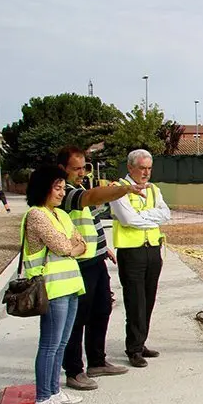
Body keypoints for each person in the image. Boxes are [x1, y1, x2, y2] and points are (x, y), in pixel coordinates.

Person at [57, 146, 149, 390]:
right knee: (78, 318)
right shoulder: (64, 192)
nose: (81, 172)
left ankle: (97, 361)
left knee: (102, 310)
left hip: (96, 259)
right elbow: (90, 200)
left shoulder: (79, 187)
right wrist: (125, 189)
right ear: (62, 169)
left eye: (84, 167)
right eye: (76, 168)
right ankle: (74, 370)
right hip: (79, 265)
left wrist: (102, 247)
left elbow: (89, 221)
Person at [22, 166, 87, 404]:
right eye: (57, 187)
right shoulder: (37, 215)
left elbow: (82, 244)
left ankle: (54, 391)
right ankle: (42, 398)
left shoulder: (61, 215)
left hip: (70, 286)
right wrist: (71, 246)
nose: (61, 192)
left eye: (63, 188)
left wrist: (72, 246)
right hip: (52, 288)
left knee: (61, 343)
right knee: (49, 344)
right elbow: (63, 246)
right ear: (44, 188)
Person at [109, 149, 171, 368]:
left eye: (149, 168)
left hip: (152, 249)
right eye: (142, 168)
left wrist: (142, 218)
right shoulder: (118, 190)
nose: (146, 173)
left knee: (149, 299)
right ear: (130, 168)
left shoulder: (154, 189)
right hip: (132, 251)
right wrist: (150, 218)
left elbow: (166, 214)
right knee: (135, 302)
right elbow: (127, 220)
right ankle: (133, 348)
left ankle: (141, 341)